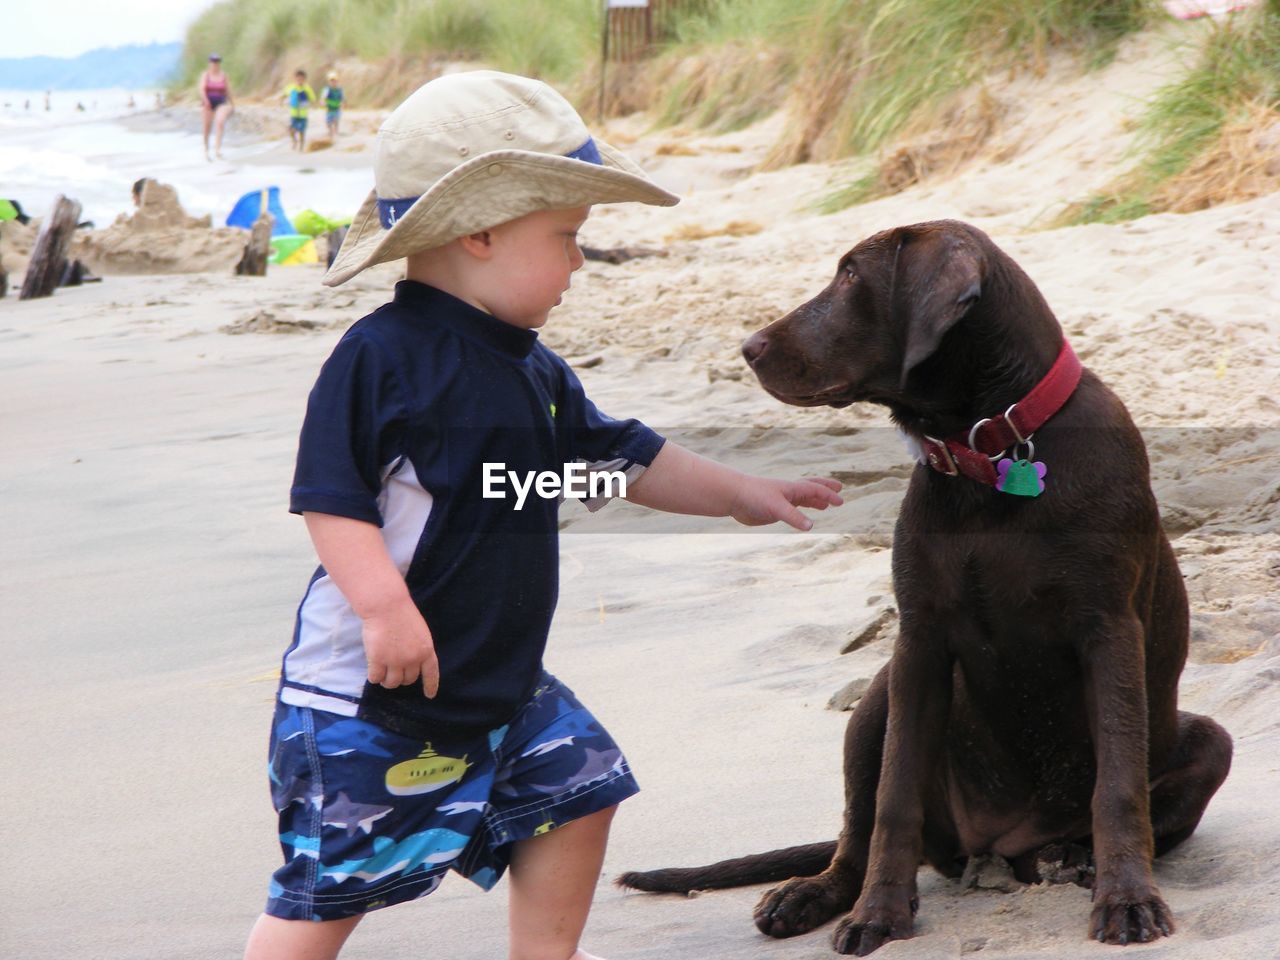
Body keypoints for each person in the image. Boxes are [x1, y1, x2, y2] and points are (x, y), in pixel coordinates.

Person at [241, 70, 843, 960]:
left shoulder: (535, 369)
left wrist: (739, 494)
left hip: (499, 682)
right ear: (480, 233)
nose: (577, 262)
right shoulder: (381, 357)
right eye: (565, 238)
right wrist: (383, 607)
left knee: (580, 789)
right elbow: (330, 500)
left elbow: (622, 461)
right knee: (330, 887)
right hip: (368, 700)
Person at [199, 53, 234, 160]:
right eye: (213, 62)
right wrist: (206, 101)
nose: (215, 64)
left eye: (217, 61)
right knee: (207, 128)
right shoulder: (206, 75)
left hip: (221, 102)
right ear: (210, 63)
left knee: (220, 122)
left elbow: (228, 90)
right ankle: (206, 149)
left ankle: (217, 150)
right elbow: (201, 89)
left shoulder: (223, 75)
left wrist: (232, 103)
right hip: (208, 103)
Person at [283, 68, 316, 151]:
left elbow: (312, 98)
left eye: (301, 79)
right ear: (295, 78)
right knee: (291, 130)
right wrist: (282, 100)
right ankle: (294, 141)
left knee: (302, 131)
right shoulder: (291, 87)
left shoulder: (307, 88)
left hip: (303, 114)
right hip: (293, 114)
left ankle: (301, 146)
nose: (299, 80)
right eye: (298, 78)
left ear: (304, 79)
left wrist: (312, 103)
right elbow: (285, 94)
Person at [321, 71, 345, 138]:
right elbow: (323, 98)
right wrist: (323, 103)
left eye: (334, 80)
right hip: (329, 108)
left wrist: (342, 104)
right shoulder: (327, 89)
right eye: (331, 81)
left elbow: (342, 98)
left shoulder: (339, 89)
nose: (333, 82)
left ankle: (336, 132)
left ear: (337, 81)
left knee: (336, 120)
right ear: (329, 81)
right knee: (328, 122)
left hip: (337, 108)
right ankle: (330, 132)